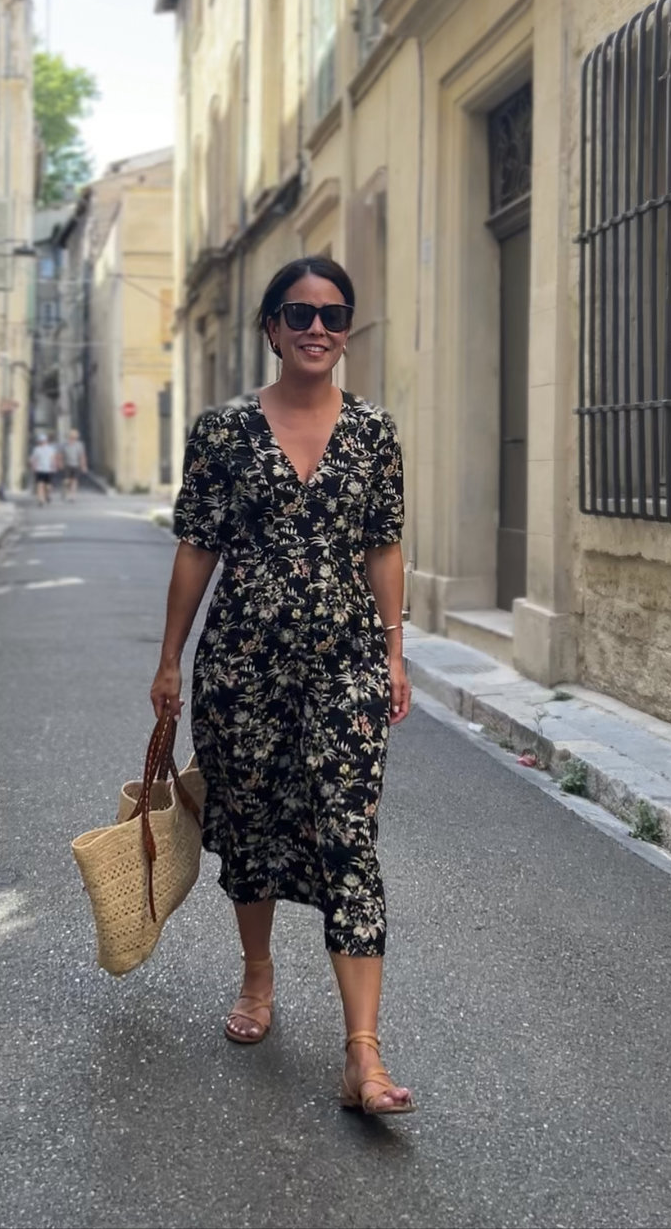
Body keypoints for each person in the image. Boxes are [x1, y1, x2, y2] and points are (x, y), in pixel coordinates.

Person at [150, 256, 415, 1116]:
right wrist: (168, 661)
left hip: (346, 664)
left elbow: (383, 546)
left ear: (347, 331)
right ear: (269, 328)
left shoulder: (375, 433)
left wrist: (395, 654)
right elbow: (197, 546)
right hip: (242, 665)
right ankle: (258, 979)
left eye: (334, 315)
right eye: (298, 315)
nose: (316, 330)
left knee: (349, 838)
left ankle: (362, 1056)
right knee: (253, 821)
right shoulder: (223, 432)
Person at [29, 432, 58, 506]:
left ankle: (47, 495)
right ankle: (41, 500)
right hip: (39, 469)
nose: (42, 442)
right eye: (41, 441)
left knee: (48, 486)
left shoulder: (50, 449)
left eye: (43, 441)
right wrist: (33, 467)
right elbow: (34, 459)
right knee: (40, 484)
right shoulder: (37, 449)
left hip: (48, 469)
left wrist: (54, 466)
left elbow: (53, 458)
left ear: (46, 441)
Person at [60, 428, 88, 501]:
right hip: (67, 465)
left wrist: (83, 466)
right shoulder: (64, 444)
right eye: (72, 436)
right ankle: (65, 489)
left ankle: (72, 495)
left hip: (76, 465)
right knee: (67, 481)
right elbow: (61, 455)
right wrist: (60, 463)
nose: (73, 437)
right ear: (69, 436)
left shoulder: (79, 445)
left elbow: (82, 456)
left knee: (74, 481)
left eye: (75, 436)